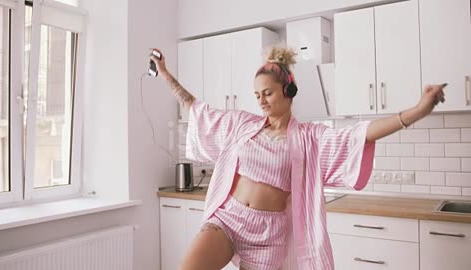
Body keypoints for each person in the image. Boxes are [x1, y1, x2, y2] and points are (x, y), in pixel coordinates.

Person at [150, 46, 446, 270]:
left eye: (267, 93)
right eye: (257, 95)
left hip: (269, 235)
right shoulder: (241, 124)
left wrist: (418, 110)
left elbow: (362, 134)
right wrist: (164, 73)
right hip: (229, 218)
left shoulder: (309, 137)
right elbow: (195, 107)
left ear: (288, 91)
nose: (261, 100)